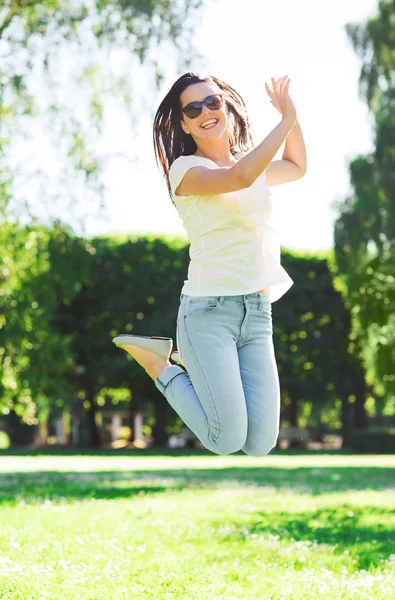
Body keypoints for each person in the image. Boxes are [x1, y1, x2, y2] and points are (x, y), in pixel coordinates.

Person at [113, 71, 306, 456]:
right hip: (208, 310)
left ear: (227, 107)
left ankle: (194, 360)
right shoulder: (185, 171)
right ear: (184, 123)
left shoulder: (250, 163)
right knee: (225, 440)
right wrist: (284, 120)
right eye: (193, 108)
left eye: (213, 101)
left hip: (256, 311)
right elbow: (238, 176)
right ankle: (160, 365)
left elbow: (297, 166)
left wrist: (293, 116)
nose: (205, 111)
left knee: (260, 444)